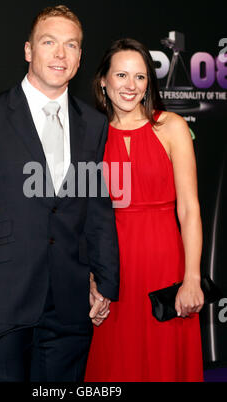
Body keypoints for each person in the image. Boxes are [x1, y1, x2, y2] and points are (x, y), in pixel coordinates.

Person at [0, 5, 119, 382]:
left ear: (79, 57)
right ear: (28, 50)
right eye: (49, 42)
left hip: (70, 305)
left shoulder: (94, 124)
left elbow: (98, 209)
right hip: (0, 300)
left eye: (70, 45)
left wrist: (104, 281)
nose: (60, 54)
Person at [85, 38, 204, 382]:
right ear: (103, 81)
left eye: (140, 77)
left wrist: (192, 278)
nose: (131, 85)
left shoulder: (171, 127)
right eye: (121, 75)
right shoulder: (90, 136)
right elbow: (84, 218)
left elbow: (190, 209)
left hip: (166, 266)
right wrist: (93, 281)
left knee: (165, 361)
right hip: (114, 270)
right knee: (117, 364)